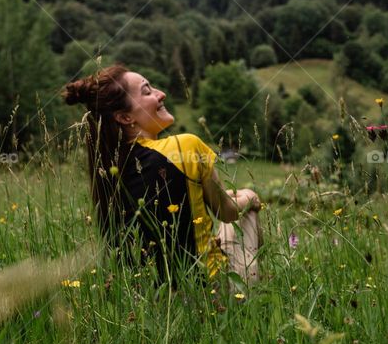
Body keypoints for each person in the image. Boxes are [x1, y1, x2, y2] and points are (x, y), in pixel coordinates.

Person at [62, 64, 262, 288]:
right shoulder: (185, 146)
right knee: (246, 209)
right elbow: (226, 212)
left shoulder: (109, 170)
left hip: (147, 301)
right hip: (206, 293)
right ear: (125, 117)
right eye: (147, 91)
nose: (161, 93)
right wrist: (251, 196)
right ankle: (249, 307)